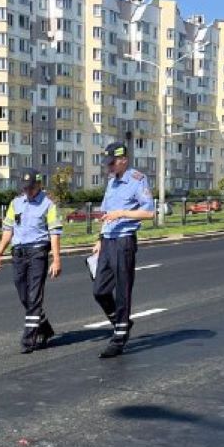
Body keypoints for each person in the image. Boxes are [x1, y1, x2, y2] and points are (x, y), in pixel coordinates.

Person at [91, 142, 156, 358]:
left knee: (122, 290)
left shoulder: (137, 180)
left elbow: (149, 213)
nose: (108, 167)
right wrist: (100, 239)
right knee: (99, 290)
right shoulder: (112, 181)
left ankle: (119, 337)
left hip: (124, 240)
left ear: (123, 160)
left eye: (112, 163)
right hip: (108, 240)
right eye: (107, 163)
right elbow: (105, 213)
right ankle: (122, 322)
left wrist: (122, 214)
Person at [0, 168, 63, 353]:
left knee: (34, 295)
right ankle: (45, 328)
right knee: (24, 294)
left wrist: (56, 259)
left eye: (31, 187)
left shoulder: (49, 205)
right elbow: (8, 231)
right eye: (24, 187)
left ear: (39, 185)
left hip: (38, 252)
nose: (27, 191)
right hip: (19, 253)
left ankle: (29, 338)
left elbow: (54, 234)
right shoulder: (15, 203)